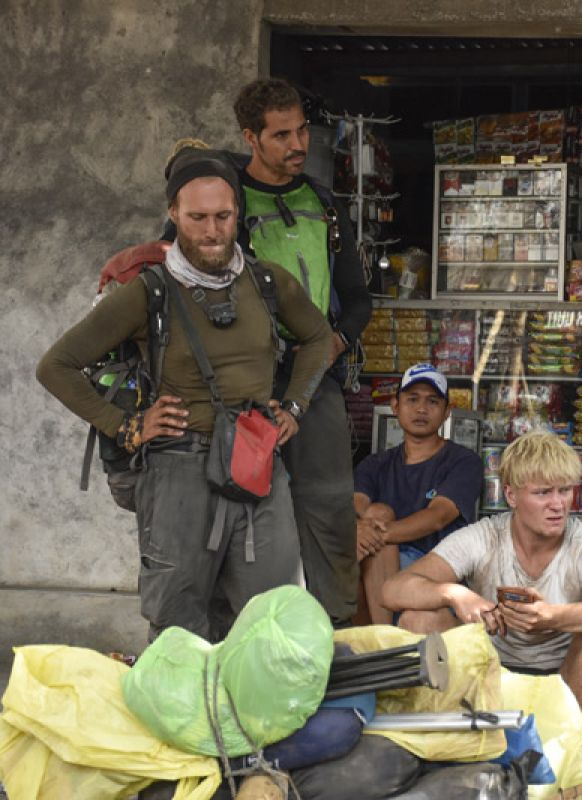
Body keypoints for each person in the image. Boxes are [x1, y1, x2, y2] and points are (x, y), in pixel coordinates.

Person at [36, 149, 333, 641]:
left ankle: (252, 718)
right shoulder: (147, 292)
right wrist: (127, 426)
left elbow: (319, 338)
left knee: (273, 623)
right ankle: (183, 718)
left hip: (256, 463)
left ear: (238, 213)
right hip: (178, 468)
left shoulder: (267, 282)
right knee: (179, 628)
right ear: (174, 214)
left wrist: (296, 405)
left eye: (223, 216)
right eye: (197, 218)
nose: (212, 230)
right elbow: (56, 366)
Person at [381, 430, 582, 752]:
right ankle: (446, 751)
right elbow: (393, 590)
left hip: (567, 683)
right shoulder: (484, 537)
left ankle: (572, 765)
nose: (557, 505)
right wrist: (456, 594)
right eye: (542, 493)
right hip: (489, 679)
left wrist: (555, 617)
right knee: (419, 619)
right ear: (511, 496)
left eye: (565, 491)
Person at [231, 78, 371, 626]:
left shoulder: (323, 203)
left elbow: (359, 300)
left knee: (332, 510)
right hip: (246, 387)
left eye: (302, 130)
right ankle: (247, 634)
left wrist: (333, 343)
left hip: (317, 384)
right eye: (281, 134)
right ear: (251, 137)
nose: (298, 144)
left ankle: (334, 632)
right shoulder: (226, 202)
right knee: (244, 514)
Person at [353, 363, 484, 625]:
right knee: (368, 520)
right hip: (376, 572)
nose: (421, 409)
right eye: (412, 399)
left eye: (432, 401)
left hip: (433, 572)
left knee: (375, 527)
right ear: (395, 406)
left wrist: (378, 533)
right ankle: (379, 638)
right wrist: (358, 529)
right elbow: (355, 507)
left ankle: (384, 642)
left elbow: (438, 516)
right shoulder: (375, 464)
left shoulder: (463, 461)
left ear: (447, 412)